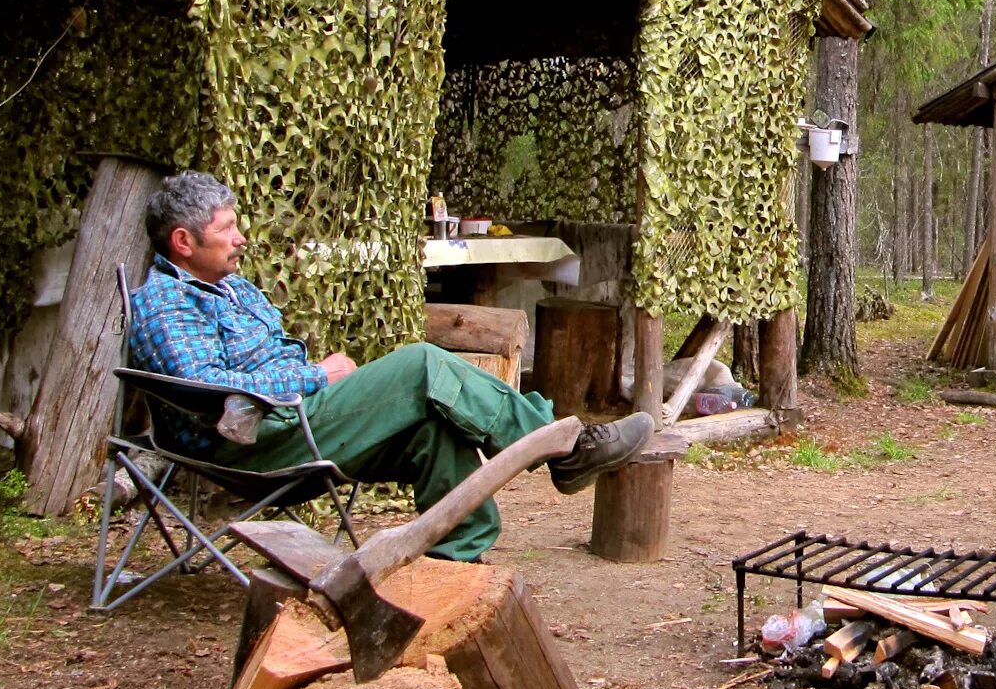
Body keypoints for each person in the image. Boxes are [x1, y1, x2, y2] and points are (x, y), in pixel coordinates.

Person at [126, 170, 651, 562]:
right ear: (183, 242)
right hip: (255, 442)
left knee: (433, 426)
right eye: (228, 228)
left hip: (295, 417)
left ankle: (452, 563)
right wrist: (317, 377)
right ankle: (567, 447)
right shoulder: (166, 303)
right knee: (422, 364)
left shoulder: (231, 287)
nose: (240, 237)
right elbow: (203, 386)